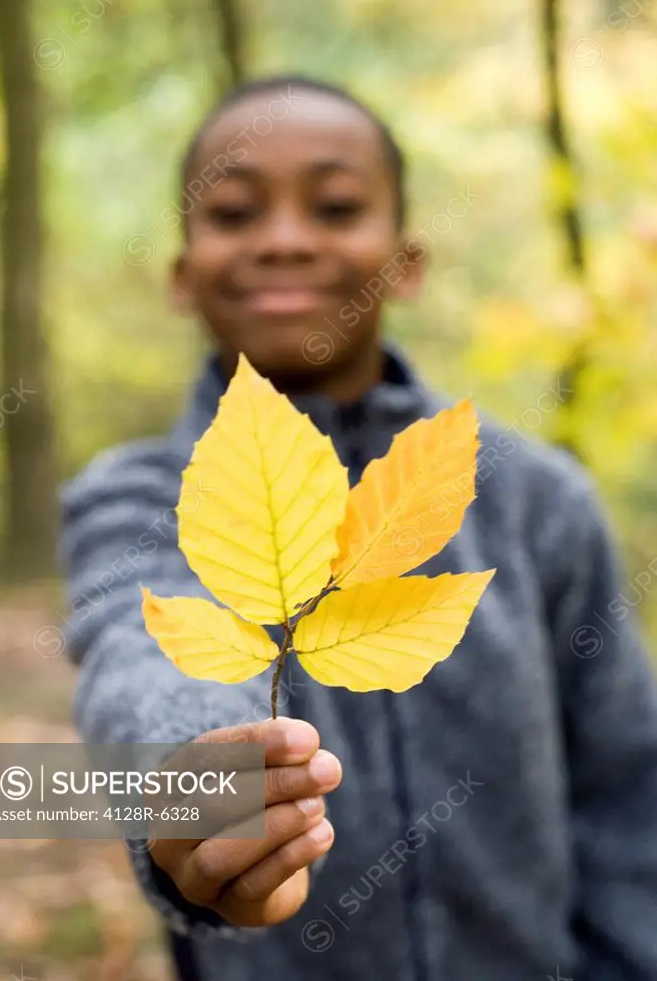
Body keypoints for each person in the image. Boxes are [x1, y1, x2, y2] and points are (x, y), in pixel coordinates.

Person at [60, 74, 657, 981]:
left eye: (335, 207)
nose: (286, 240)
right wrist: (194, 778)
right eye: (232, 213)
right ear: (182, 275)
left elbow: (624, 784)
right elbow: (137, 658)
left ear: (405, 260)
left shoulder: (534, 500)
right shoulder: (135, 495)